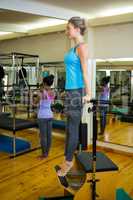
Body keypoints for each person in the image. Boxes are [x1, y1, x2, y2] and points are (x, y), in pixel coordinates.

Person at [56, 16, 91, 176]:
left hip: (77, 92)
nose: (66, 31)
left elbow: (85, 72)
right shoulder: (73, 48)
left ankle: (68, 162)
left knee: (72, 128)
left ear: (77, 29)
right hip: (71, 91)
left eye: (68, 28)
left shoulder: (82, 47)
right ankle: (67, 158)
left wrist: (89, 93)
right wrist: (66, 90)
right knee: (68, 129)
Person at [37, 75, 55, 159]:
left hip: (42, 116)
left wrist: (39, 92)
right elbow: (51, 102)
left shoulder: (41, 92)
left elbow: (35, 102)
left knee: (43, 136)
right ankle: (47, 153)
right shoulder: (53, 92)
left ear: (44, 83)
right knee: (49, 136)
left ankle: (44, 154)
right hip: (50, 115)